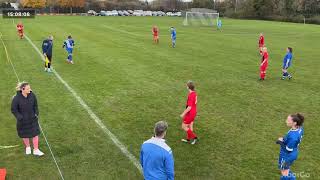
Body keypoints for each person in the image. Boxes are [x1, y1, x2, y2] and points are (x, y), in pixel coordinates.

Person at [11, 82, 44, 156]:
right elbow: (14, 109)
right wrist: (20, 117)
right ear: (23, 89)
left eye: (29, 88)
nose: (30, 89)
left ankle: (36, 149)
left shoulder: (32, 95)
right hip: (22, 121)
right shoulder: (16, 98)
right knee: (25, 134)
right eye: (28, 88)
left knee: (35, 134)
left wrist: (36, 112)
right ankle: (28, 147)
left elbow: (35, 105)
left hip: (33, 118)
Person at [276, 113, 304, 180]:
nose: (286, 121)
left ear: (294, 123)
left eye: (288, 120)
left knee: (284, 172)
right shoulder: (300, 128)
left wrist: (280, 142)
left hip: (286, 156)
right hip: (293, 153)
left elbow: (288, 150)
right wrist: (284, 139)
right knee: (286, 169)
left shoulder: (293, 137)